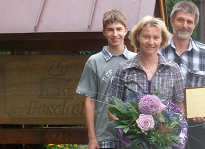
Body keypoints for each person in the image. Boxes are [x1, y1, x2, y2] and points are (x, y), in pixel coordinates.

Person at [158, 1, 205, 148]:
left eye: (189, 22)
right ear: (171, 21)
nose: (185, 25)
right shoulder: (157, 51)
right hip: (161, 125)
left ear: (194, 25)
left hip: (194, 127)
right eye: (180, 20)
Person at [75, 9, 136, 149]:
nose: (115, 34)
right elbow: (89, 100)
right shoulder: (94, 61)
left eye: (119, 29)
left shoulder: (136, 60)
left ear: (126, 30)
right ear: (104, 32)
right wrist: (92, 138)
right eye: (110, 30)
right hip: (104, 133)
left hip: (133, 134)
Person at [111, 15, 185, 110]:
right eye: (146, 37)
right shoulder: (124, 69)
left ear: (162, 39)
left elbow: (181, 106)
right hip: (131, 124)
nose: (151, 42)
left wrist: (168, 124)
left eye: (156, 38)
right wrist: (130, 124)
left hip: (164, 125)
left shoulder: (173, 69)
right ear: (138, 36)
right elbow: (113, 107)